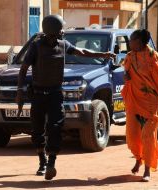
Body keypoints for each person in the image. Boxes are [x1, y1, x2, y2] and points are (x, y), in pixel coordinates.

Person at [16, 15, 116, 180]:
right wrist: (20, 92)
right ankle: (42, 160)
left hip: (56, 94)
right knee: (37, 130)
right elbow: (23, 68)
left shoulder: (63, 44)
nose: (63, 31)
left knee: (55, 127)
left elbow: (81, 51)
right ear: (53, 30)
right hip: (39, 95)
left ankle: (51, 163)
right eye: (61, 28)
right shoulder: (36, 47)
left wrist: (102, 54)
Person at [121, 29, 158, 182]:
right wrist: (126, 77)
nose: (129, 42)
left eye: (132, 40)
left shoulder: (154, 58)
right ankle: (139, 158)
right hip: (134, 100)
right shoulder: (130, 57)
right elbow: (127, 74)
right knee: (132, 135)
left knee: (147, 136)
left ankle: (147, 170)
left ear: (140, 41)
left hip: (152, 102)